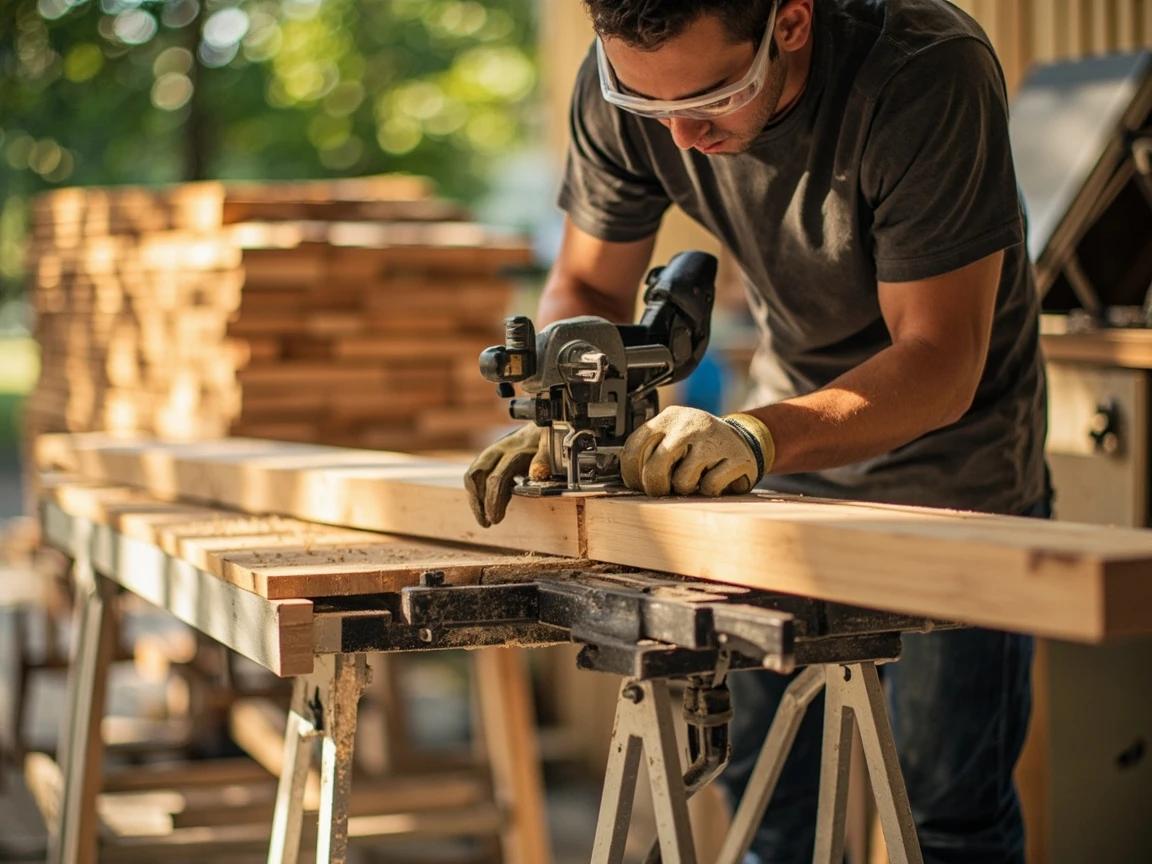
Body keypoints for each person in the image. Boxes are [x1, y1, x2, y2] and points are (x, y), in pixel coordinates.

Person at [464, 1, 1048, 861]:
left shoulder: (925, 70)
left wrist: (755, 436)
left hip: (955, 472)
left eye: (710, 99)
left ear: (793, 22)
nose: (685, 137)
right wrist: (563, 402)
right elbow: (588, 290)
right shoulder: (631, 82)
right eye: (650, 109)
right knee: (768, 799)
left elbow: (938, 359)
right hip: (776, 458)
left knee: (944, 809)